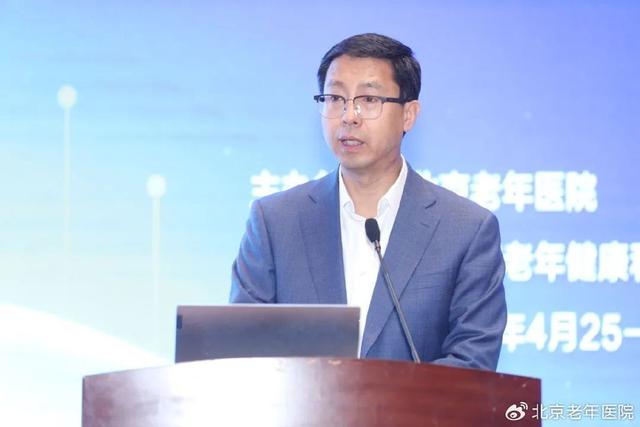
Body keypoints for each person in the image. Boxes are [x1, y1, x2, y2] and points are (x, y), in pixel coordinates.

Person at [230, 33, 506, 371]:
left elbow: (473, 362)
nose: (349, 116)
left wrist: (377, 398)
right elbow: (242, 356)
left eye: (369, 99)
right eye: (335, 98)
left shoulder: (465, 230)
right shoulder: (275, 222)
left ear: (409, 114)